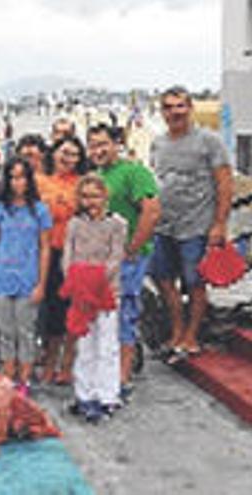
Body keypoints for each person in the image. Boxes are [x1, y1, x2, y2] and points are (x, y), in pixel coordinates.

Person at [149, 86, 233, 363]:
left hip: (197, 225)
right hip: (164, 225)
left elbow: (224, 182)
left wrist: (219, 224)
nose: (175, 112)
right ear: (162, 112)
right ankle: (177, 328)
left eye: (180, 106)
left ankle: (192, 335)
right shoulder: (158, 143)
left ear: (190, 108)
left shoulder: (209, 141)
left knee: (194, 281)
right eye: (169, 107)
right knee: (161, 277)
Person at [87, 123, 161, 396]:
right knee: (105, 315)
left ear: (117, 143)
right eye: (93, 145)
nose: (98, 150)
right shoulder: (96, 175)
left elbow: (151, 211)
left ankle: (123, 376)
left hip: (128, 259)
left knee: (125, 314)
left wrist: (133, 247)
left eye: (103, 144)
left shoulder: (134, 172)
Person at [0, 157, 52, 394]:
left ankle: (24, 379)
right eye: (12, 177)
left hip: (28, 278)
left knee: (25, 330)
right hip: (2, 276)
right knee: (5, 330)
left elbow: (44, 248)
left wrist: (41, 283)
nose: (17, 182)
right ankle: (7, 375)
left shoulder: (40, 211)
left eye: (22, 177)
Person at [62, 174, 126, 422]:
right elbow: (68, 256)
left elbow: (115, 257)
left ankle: (107, 395)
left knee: (107, 344)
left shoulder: (117, 224)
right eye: (86, 195)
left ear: (105, 196)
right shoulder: (75, 224)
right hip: (80, 292)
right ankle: (84, 393)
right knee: (85, 344)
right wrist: (76, 280)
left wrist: (96, 279)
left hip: (106, 291)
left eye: (95, 195)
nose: (91, 201)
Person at [37, 136, 86, 385]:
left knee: (72, 311)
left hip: (74, 254)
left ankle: (67, 364)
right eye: (63, 152)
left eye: (74, 154)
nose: (67, 159)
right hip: (46, 251)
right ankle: (48, 360)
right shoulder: (40, 181)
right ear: (53, 153)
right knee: (51, 312)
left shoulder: (82, 183)